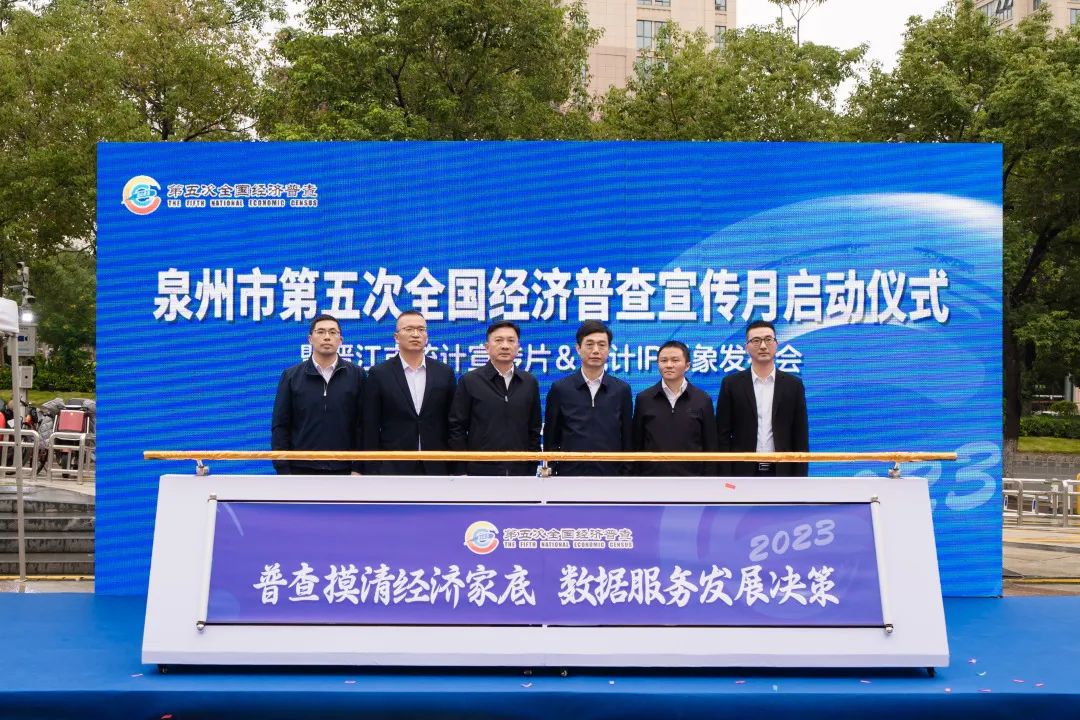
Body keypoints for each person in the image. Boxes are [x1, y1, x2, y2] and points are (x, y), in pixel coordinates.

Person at [363, 310, 457, 475]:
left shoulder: (444, 372)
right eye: (409, 329)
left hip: (437, 465)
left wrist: (456, 466)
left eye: (421, 329)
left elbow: (453, 422)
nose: (415, 334)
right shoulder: (379, 374)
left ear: (426, 336)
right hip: (393, 466)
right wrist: (370, 467)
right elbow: (370, 424)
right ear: (396, 337)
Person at [271, 314, 365, 475]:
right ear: (310, 339)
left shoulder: (357, 375)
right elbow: (280, 425)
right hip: (300, 469)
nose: (327, 337)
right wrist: (283, 469)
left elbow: (363, 425)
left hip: (345, 469)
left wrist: (358, 467)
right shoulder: (291, 376)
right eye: (320, 332)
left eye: (332, 332)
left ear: (341, 340)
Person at [715, 320, 809, 477]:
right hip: (742, 472)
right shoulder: (731, 384)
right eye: (756, 341)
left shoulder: (793, 385)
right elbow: (722, 435)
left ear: (776, 344)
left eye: (768, 339)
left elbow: (800, 435)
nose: (763, 346)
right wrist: (725, 474)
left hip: (782, 472)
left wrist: (800, 477)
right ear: (746, 347)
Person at [448, 321, 541, 476]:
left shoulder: (529, 382)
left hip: (520, 472)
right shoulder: (470, 381)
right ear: (487, 347)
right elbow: (457, 428)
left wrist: (531, 466)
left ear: (518, 347)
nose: (505, 346)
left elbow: (534, 429)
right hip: (479, 471)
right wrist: (461, 469)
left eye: (511, 341)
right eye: (498, 340)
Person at [544, 320, 633, 476]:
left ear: (609, 349)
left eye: (602, 345)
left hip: (611, 477)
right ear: (578, 349)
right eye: (590, 344)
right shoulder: (560, 389)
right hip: (569, 476)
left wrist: (625, 474)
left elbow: (627, 438)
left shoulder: (621, 390)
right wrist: (552, 470)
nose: (596, 350)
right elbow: (551, 437)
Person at [632, 340, 718, 476]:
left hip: (692, 478)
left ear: (687, 366)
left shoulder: (702, 400)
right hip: (652, 478)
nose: (669, 365)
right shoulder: (644, 398)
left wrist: (708, 480)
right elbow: (636, 443)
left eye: (675, 360)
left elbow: (711, 446)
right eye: (663, 360)